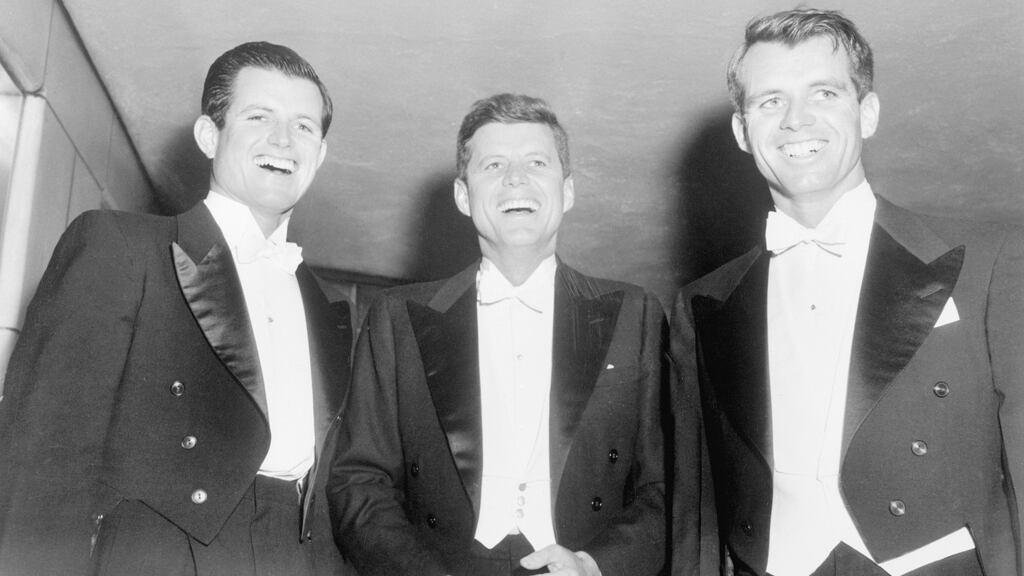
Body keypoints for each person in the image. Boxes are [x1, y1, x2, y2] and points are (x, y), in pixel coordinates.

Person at [670, 7, 1024, 576]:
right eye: (770, 101)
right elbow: (699, 507)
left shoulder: (989, 261)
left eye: (824, 94)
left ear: (868, 112)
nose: (795, 120)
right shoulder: (702, 305)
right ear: (742, 131)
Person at [0, 41, 353, 576]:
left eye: (304, 126)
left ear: (320, 154)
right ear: (209, 136)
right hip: (160, 552)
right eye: (258, 116)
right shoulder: (121, 245)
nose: (284, 139)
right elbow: (44, 458)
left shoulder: (328, 305)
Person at [327, 93, 667, 576]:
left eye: (536, 161)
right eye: (493, 165)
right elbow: (357, 480)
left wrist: (596, 565)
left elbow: (667, 487)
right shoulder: (396, 317)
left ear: (567, 191)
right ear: (464, 196)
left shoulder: (637, 314)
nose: (516, 178)